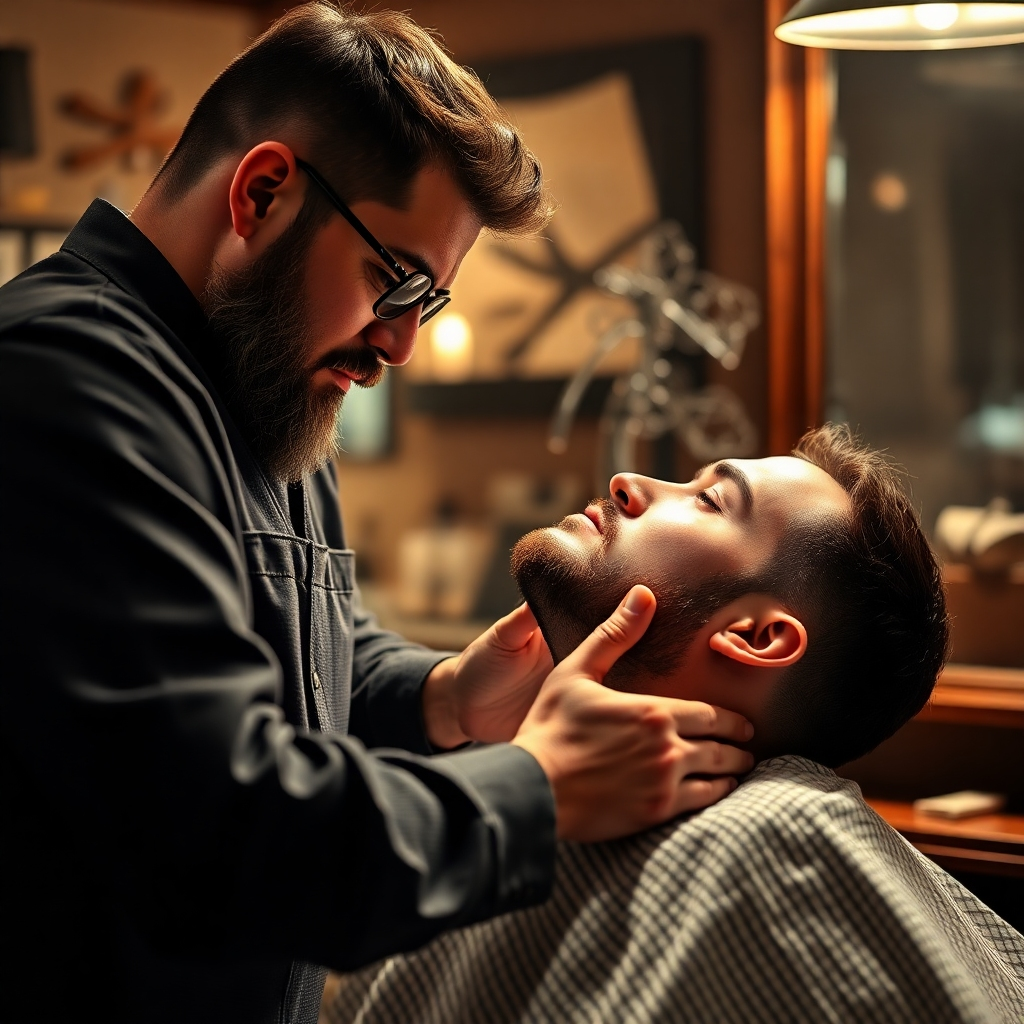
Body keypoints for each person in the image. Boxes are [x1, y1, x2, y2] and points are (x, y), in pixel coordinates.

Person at [0, 5, 754, 1024]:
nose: (397, 346)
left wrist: (443, 697)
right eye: (394, 280)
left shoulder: (258, 380)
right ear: (263, 192)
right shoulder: (65, 386)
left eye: (426, 304)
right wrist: (536, 787)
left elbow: (296, 650)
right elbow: (224, 831)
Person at [327, 425, 1024, 1024]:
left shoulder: (784, 848)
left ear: (755, 635)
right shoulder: (500, 797)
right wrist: (454, 702)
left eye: (709, 499)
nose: (629, 481)